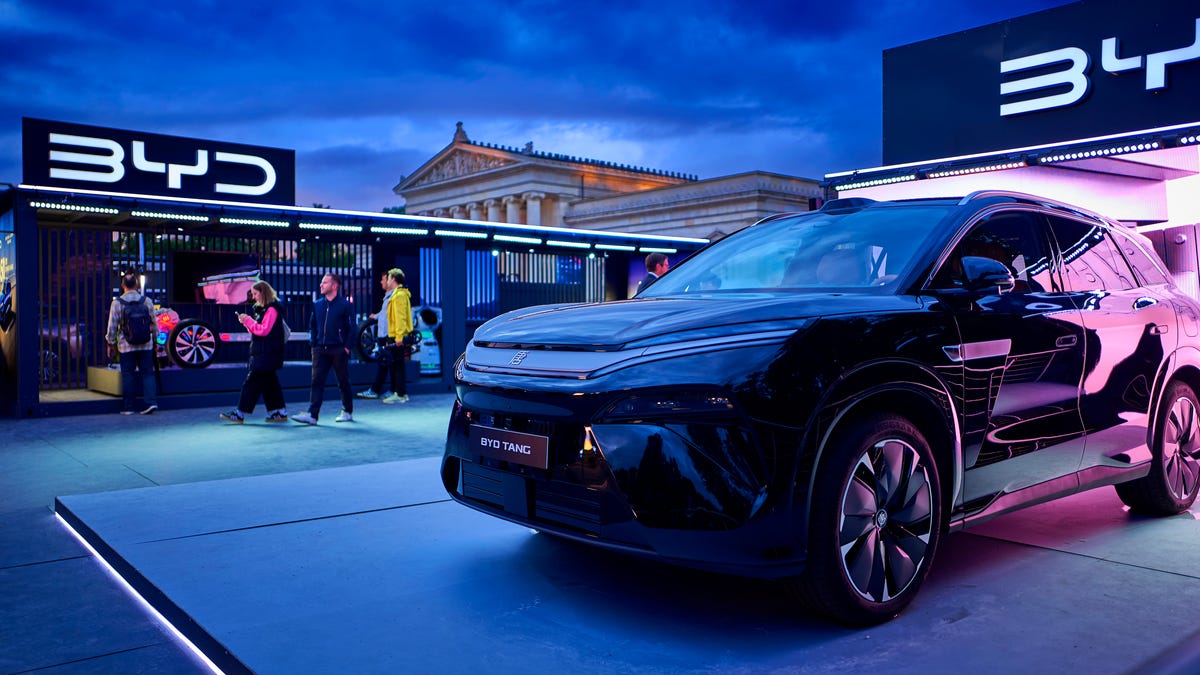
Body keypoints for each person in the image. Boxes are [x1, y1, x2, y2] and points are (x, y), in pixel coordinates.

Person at [220, 281, 288, 424]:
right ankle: (279, 412)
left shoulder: (271, 310)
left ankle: (239, 413)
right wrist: (247, 322)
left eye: (256, 294)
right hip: (268, 353)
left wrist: (249, 320)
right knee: (270, 383)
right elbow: (260, 330)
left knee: (251, 383)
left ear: (264, 293)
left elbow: (263, 330)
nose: (254, 297)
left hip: (266, 354)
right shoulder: (269, 309)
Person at [292, 273, 355, 425]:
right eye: (321, 282)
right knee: (316, 381)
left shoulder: (345, 305)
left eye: (325, 282)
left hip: (339, 349)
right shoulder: (317, 304)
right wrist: (314, 344)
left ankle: (347, 411)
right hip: (320, 349)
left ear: (334, 286)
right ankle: (313, 415)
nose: (321, 285)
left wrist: (346, 347)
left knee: (343, 381)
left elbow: (352, 328)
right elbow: (312, 325)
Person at [105, 272, 158, 415]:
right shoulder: (146, 301)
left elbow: (112, 326)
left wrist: (110, 343)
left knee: (128, 375)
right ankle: (151, 403)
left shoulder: (117, 303)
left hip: (126, 346)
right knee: (147, 373)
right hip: (146, 344)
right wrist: (156, 340)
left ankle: (129, 407)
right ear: (137, 285)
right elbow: (153, 323)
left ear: (122, 286)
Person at [356, 272, 395, 401]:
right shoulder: (388, 297)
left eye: (384, 279)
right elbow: (385, 315)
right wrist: (376, 316)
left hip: (390, 335)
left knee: (387, 363)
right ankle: (383, 390)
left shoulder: (394, 297)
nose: (381, 282)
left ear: (390, 280)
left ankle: (378, 390)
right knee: (385, 363)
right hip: (384, 335)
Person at [380, 268, 413, 404]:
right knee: (396, 365)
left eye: (388, 278)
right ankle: (400, 393)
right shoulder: (398, 294)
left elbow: (400, 318)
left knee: (398, 365)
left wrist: (398, 337)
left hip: (397, 336)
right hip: (394, 335)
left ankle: (400, 393)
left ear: (393, 279)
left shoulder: (399, 295)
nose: (387, 281)